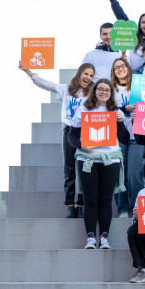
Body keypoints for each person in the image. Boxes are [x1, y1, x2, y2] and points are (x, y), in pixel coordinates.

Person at [19, 61, 94, 218]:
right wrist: (29, 72)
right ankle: (70, 205)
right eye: (86, 74)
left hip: (86, 132)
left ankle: (81, 203)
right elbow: (47, 85)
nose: (88, 77)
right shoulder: (66, 89)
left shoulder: (91, 94)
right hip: (69, 132)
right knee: (69, 168)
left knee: (83, 168)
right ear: (80, 73)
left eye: (91, 76)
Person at [67, 79, 129, 249]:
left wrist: (121, 121)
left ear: (111, 93)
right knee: (90, 199)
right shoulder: (83, 109)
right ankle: (90, 238)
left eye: (107, 90)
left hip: (111, 159)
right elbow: (71, 136)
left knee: (106, 199)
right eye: (100, 89)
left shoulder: (115, 111)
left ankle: (104, 238)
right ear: (94, 91)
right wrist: (82, 146)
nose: (103, 92)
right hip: (88, 159)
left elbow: (124, 138)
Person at [110, 58, 145, 219]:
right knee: (119, 174)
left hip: (137, 135)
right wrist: (124, 109)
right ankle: (123, 209)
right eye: (116, 67)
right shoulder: (110, 89)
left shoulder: (139, 86)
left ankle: (136, 207)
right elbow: (104, 112)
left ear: (128, 68)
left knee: (134, 174)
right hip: (117, 137)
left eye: (122, 66)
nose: (120, 69)